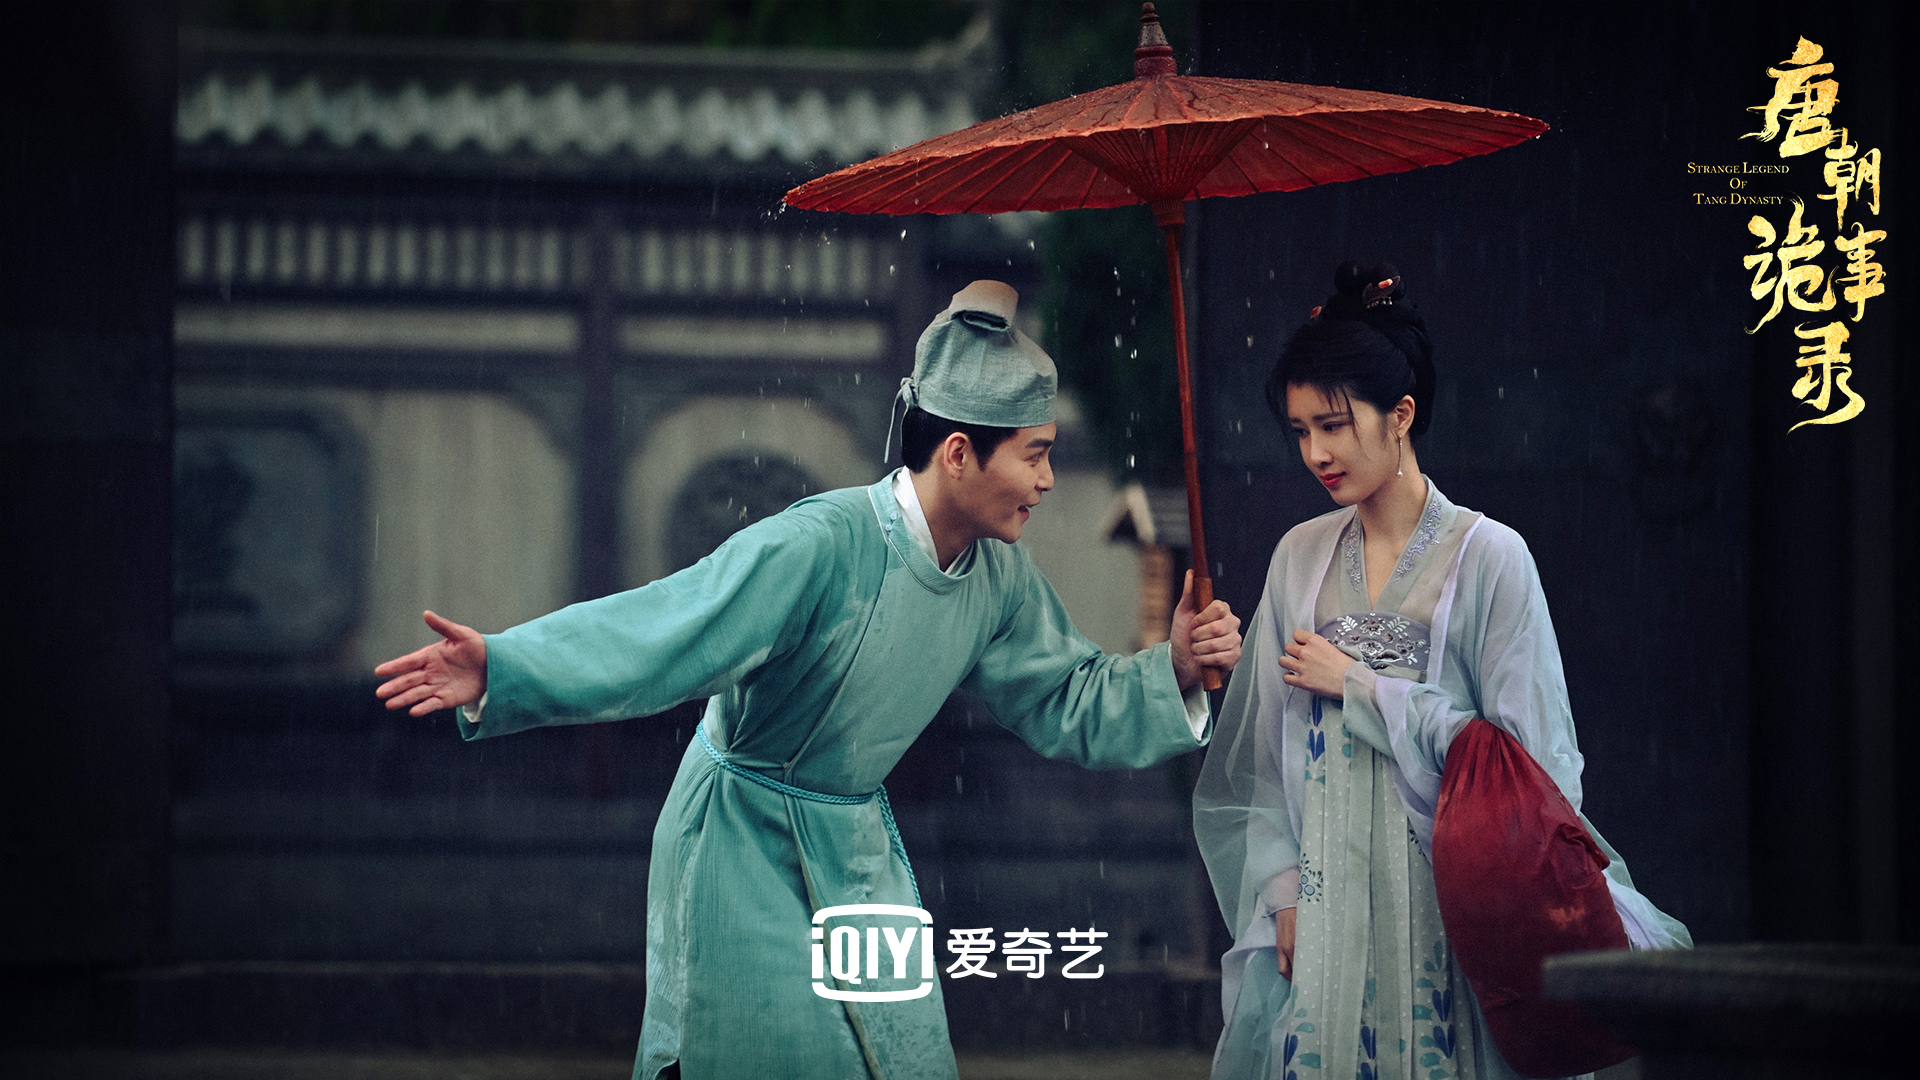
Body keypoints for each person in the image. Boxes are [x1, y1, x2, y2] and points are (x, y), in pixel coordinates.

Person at [375, 280, 1242, 1080]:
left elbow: (1068, 696)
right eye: (1035, 455)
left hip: (854, 844)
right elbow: (668, 627)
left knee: (895, 1058)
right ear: (957, 453)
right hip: (739, 840)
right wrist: (508, 664)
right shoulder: (820, 545)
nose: (1049, 480)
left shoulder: (998, 579)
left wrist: (1171, 669)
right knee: (768, 1051)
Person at [1192, 264, 1688, 1080]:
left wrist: (1363, 688)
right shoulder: (1299, 558)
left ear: (1401, 415)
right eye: (1300, 430)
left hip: (1452, 913)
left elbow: (1533, 769)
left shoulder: (1490, 558)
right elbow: (1265, 761)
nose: (1315, 453)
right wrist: (1282, 893)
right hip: (1325, 913)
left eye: (1334, 425)